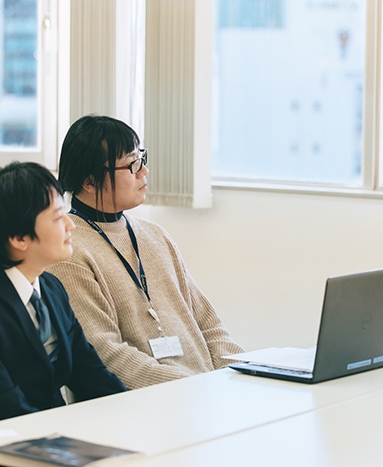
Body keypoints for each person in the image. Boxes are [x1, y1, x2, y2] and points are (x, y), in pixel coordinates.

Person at [0, 162, 126, 467]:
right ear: (19, 239)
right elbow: (1, 406)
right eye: (58, 217)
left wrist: (135, 412)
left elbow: (91, 374)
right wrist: (75, 449)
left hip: (49, 439)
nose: (71, 225)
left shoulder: (50, 287)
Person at [47, 115, 244, 389]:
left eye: (141, 158)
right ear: (89, 181)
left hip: (205, 393)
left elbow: (209, 324)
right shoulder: (69, 252)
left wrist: (243, 376)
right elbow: (108, 355)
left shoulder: (155, 235)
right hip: (147, 407)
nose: (144, 172)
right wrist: (198, 388)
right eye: (131, 165)